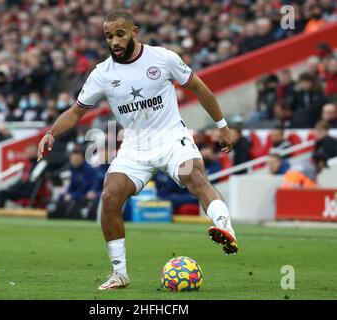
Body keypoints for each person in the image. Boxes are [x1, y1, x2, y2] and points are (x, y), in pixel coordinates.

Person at [37, 10, 238, 290]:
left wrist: (223, 125)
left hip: (171, 138)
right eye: (109, 36)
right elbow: (75, 112)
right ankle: (120, 273)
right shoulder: (102, 74)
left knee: (195, 176)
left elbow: (199, 88)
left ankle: (224, 227)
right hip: (135, 146)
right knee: (109, 195)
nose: (114, 41)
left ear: (134, 31)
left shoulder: (163, 58)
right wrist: (50, 133)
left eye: (120, 33)